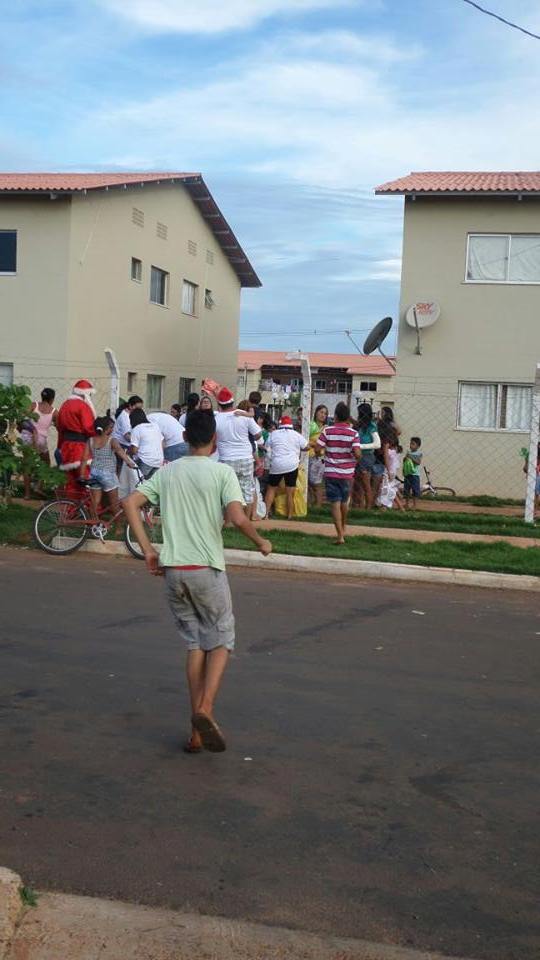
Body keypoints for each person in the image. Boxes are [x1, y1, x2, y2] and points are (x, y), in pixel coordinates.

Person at [122, 410, 272, 754]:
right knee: (221, 640)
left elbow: (130, 502)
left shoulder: (168, 471)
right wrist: (261, 542)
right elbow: (236, 518)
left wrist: (147, 551)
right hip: (206, 569)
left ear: (185, 437)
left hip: (174, 571)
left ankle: (196, 733)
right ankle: (204, 710)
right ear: (214, 440)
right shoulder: (222, 473)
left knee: (194, 645)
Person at [317, 402, 361, 544]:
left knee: (334, 503)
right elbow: (358, 453)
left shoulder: (327, 431)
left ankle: (340, 535)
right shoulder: (354, 433)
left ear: (335, 416)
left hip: (331, 472)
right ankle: (344, 527)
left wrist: (322, 453)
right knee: (344, 502)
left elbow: (318, 448)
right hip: (347, 473)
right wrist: (354, 457)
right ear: (348, 417)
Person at [214, 387, 261, 513]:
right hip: (245, 458)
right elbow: (258, 434)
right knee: (248, 491)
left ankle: (228, 521)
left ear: (219, 404)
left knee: (227, 491)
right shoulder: (243, 415)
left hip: (226, 459)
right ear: (232, 402)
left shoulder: (216, 419)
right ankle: (245, 521)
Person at [80, 416, 135, 515]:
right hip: (108, 474)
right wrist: (129, 462)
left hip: (94, 472)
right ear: (106, 428)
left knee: (95, 502)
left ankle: (93, 524)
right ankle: (118, 528)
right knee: (114, 503)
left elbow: (84, 458)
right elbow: (119, 451)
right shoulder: (111, 440)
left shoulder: (91, 440)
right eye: (111, 427)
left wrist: (82, 474)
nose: (112, 429)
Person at [56, 379, 97, 494]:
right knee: (85, 479)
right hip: (80, 447)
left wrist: (60, 446)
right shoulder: (83, 406)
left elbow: (60, 428)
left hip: (66, 447)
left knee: (71, 482)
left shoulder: (64, 405)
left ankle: (71, 509)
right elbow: (88, 428)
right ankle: (89, 509)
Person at [264, 415, 308, 519]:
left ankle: (265, 514)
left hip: (276, 464)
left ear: (280, 424)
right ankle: (289, 515)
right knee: (290, 492)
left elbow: (267, 446)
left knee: (271, 489)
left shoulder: (273, 434)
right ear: (290, 425)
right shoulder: (296, 435)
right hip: (292, 465)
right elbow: (306, 447)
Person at [352, 402, 381, 510]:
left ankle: (368, 507)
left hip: (367, 457)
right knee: (357, 483)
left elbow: (377, 444)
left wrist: (360, 446)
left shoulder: (371, 426)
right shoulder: (359, 426)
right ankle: (359, 505)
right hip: (357, 456)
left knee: (366, 483)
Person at [129, 408, 164, 478]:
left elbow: (134, 450)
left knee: (140, 484)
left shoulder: (136, 429)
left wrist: (129, 454)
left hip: (146, 461)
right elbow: (162, 443)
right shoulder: (155, 426)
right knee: (153, 485)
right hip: (159, 460)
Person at [112, 396, 143, 472]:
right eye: (137, 408)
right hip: (121, 445)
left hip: (125, 445)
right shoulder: (125, 417)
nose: (139, 410)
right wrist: (139, 441)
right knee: (121, 468)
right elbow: (127, 436)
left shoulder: (131, 415)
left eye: (141, 408)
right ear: (130, 406)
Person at [377, 428, 404, 511]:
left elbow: (386, 459)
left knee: (385, 489)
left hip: (388, 471)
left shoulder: (388, 448)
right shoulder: (395, 448)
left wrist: (388, 471)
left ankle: (384, 507)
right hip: (392, 470)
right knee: (390, 489)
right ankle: (401, 508)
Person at [308, 404, 328, 507]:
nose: (323, 415)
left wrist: (315, 444)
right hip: (307, 457)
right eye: (321, 412)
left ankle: (318, 505)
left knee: (317, 483)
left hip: (319, 458)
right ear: (316, 413)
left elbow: (326, 444)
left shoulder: (327, 429)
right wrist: (315, 444)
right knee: (309, 483)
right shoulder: (311, 425)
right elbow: (304, 440)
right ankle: (311, 503)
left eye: (325, 413)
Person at [403, 437, 423, 509]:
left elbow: (418, 462)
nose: (411, 445)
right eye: (410, 443)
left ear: (418, 446)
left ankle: (415, 505)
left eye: (413, 444)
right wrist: (405, 458)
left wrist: (410, 457)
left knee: (415, 490)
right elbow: (405, 461)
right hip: (408, 473)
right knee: (406, 489)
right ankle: (406, 504)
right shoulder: (408, 453)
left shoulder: (419, 453)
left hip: (415, 474)